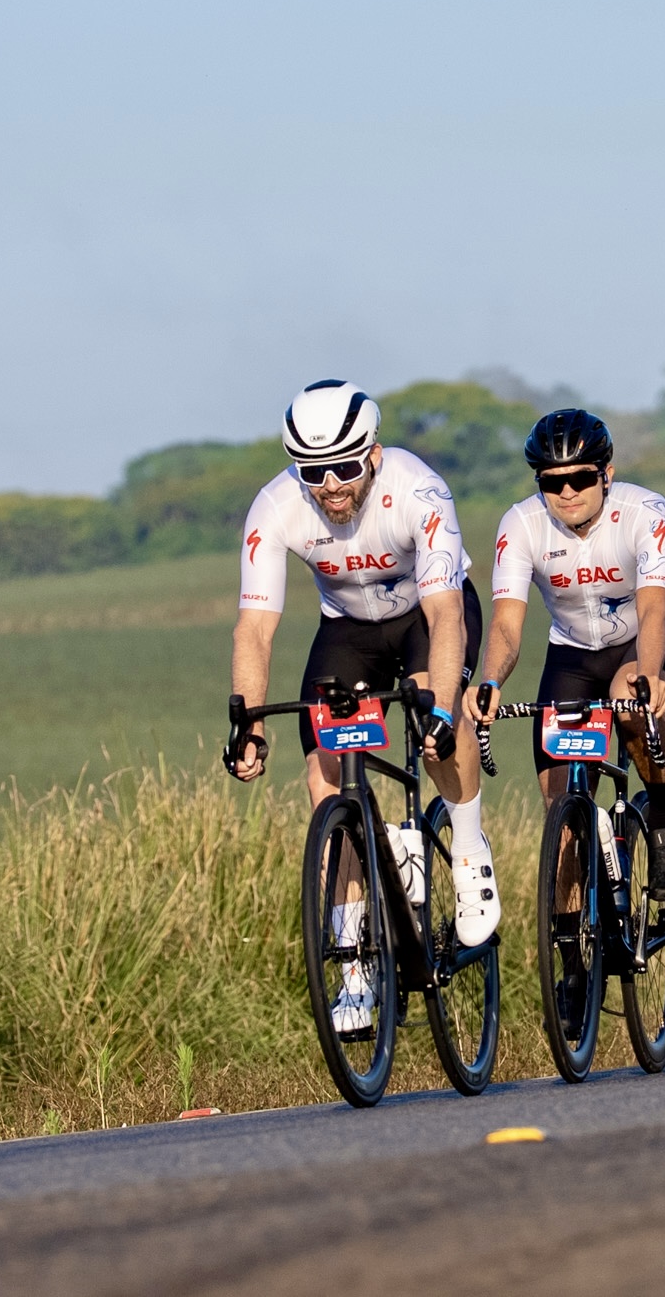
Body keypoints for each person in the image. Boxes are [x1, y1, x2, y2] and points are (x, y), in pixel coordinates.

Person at [226, 380, 490, 1033]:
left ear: (372, 451)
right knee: (325, 781)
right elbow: (254, 629)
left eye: (345, 467)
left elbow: (445, 611)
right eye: (314, 472)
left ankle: (468, 847)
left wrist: (442, 704)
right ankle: (354, 970)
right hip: (348, 632)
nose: (331, 486)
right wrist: (248, 722)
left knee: (436, 730)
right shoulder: (276, 506)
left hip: (431, 616)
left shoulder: (419, 489)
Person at [466, 411, 665, 1028]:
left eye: (581, 478)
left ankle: (663, 818)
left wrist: (647, 675)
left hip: (640, 644)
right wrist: (490, 683)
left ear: (606, 474)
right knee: (562, 814)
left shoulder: (645, 513)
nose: (566, 492)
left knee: (631, 696)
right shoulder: (521, 525)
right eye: (551, 480)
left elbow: (654, 608)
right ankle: (572, 965)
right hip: (569, 657)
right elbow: (509, 626)